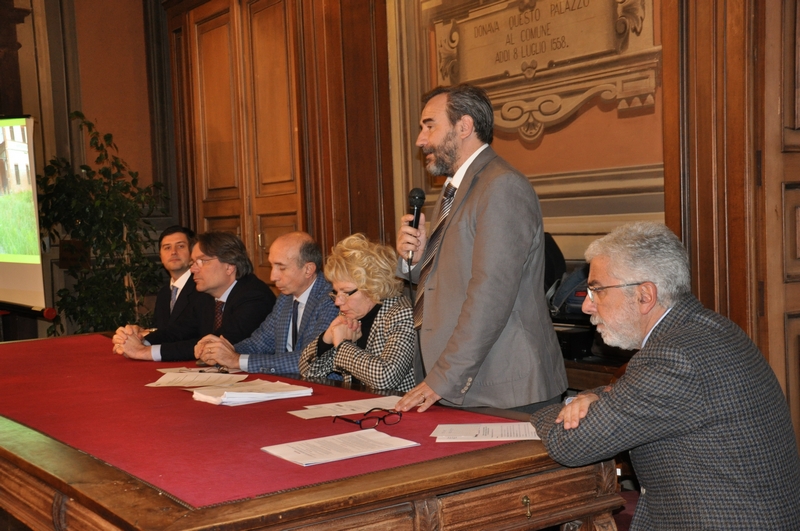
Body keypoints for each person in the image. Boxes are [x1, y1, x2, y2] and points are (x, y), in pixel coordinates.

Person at [530, 222, 800, 529]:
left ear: (645, 295)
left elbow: (572, 443)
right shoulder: (707, 329)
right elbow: (659, 397)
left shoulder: (675, 357)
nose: (588, 305)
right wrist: (597, 395)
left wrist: (537, 413)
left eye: (597, 290)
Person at [394, 84, 567, 413]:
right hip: (463, 382)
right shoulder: (454, 191)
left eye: (429, 125)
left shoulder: (501, 185)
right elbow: (444, 281)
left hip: (500, 388)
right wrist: (413, 259)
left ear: (464, 126)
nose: (420, 139)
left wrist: (442, 378)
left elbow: (491, 296)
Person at [112, 232, 275, 361]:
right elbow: (177, 331)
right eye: (193, 263)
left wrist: (144, 352)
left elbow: (216, 343)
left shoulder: (254, 297)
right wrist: (139, 340)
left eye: (202, 262)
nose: (193, 270)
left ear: (229, 267)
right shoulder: (206, 296)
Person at [195, 231, 339, 374]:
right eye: (272, 266)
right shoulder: (285, 298)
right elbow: (260, 342)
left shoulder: (331, 298)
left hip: (327, 387)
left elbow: (308, 358)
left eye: (281, 268)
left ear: (308, 269)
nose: (272, 277)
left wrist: (236, 360)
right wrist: (219, 351)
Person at [299, 234, 415, 392]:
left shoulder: (401, 314)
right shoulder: (349, 315)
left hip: (396, 411)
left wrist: (342, 345)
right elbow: (308, 372)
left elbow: (386, 377)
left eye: (345, 292)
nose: (338, 302)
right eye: (335, 292)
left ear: (373, 286)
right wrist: (326, 339)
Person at [151, 226, 210, 330]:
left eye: (180, 246)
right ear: (160, 256)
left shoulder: (203, 289)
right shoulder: (163, 294)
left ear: (193, 253)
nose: (173, 252)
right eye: (167, 248)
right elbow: (160, 332)